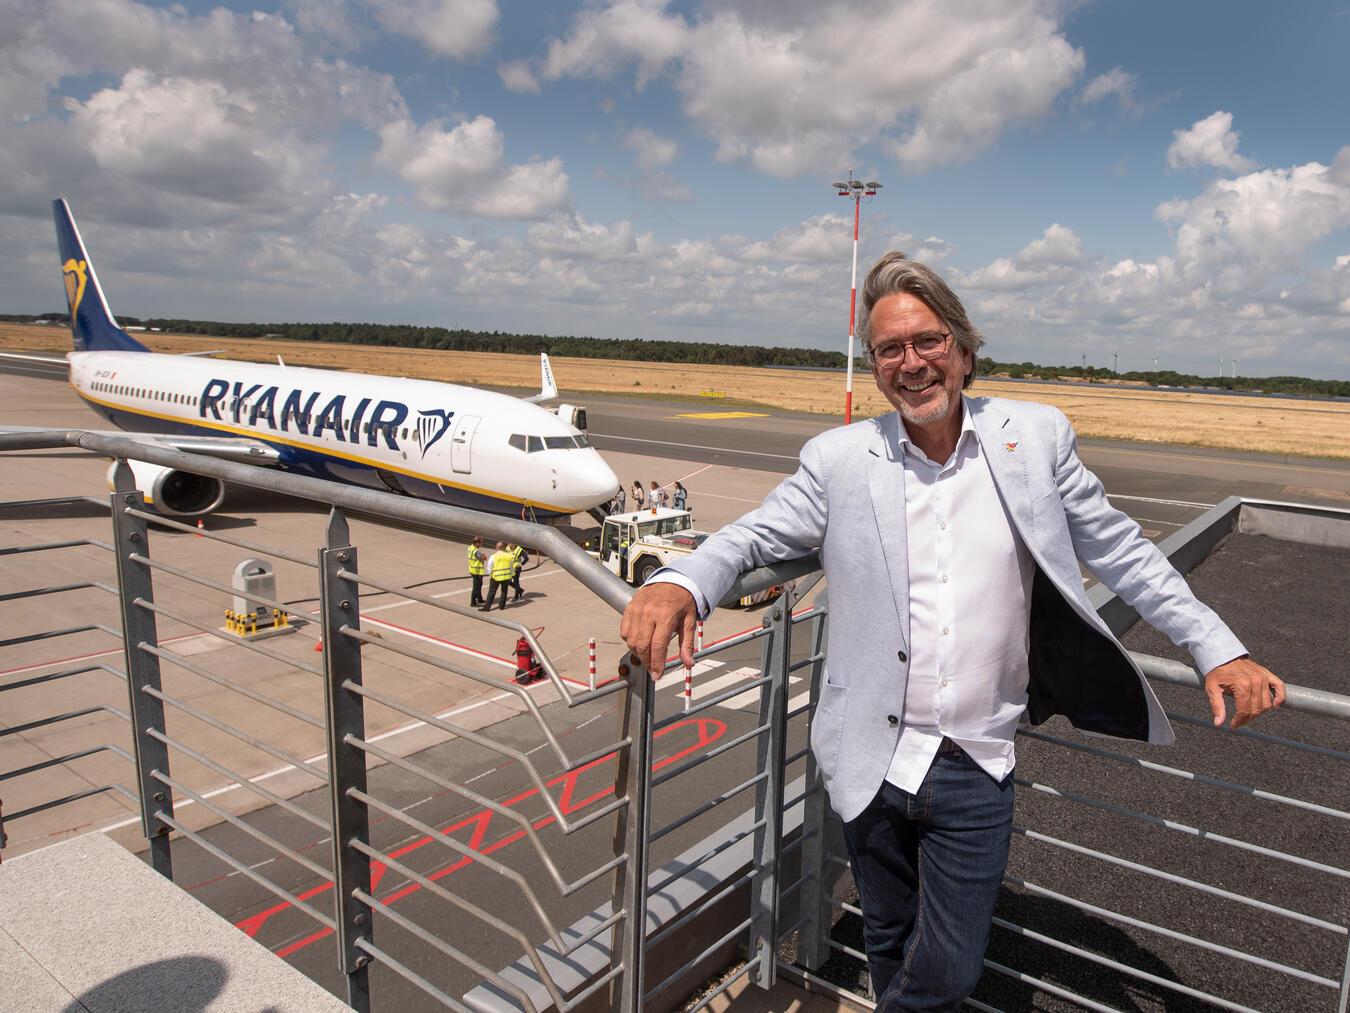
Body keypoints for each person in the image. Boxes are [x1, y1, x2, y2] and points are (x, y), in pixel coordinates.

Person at [620, 251, 1285, 1012]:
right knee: (887, 938)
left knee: (951, 969)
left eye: (928, 341)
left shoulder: (1033, 438)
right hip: (869, 756)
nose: (912, 363)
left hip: (976, 757)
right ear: (874, 367)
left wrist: (1215, 644)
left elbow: (1122, 549)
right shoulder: (840, 459)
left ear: (965, 352)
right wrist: (676, 580)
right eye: (890, 349)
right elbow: (747, 539)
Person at [482, 541, 513, 611]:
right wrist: (511, 576)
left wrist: (490, 575)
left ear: (497, 547)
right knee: (504, 592)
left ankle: (487, 607)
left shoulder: (493, 556)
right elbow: (511, 567)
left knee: (491, 592)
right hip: (506, 577)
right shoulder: (509, 556)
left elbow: (489, 567)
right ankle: (502, 606)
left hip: (496, 577)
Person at [466, 536, 487, 607]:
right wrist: (483, 556)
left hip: (472, 569)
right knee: (476, 587)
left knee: (478, 586)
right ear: (477, 543)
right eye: (481, 543)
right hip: (477, 571)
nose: (482, 544)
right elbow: (484, 558)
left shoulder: (470, 548)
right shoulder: (476, 551)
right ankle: (473, 602)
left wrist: (481, 555)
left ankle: (480, 599)